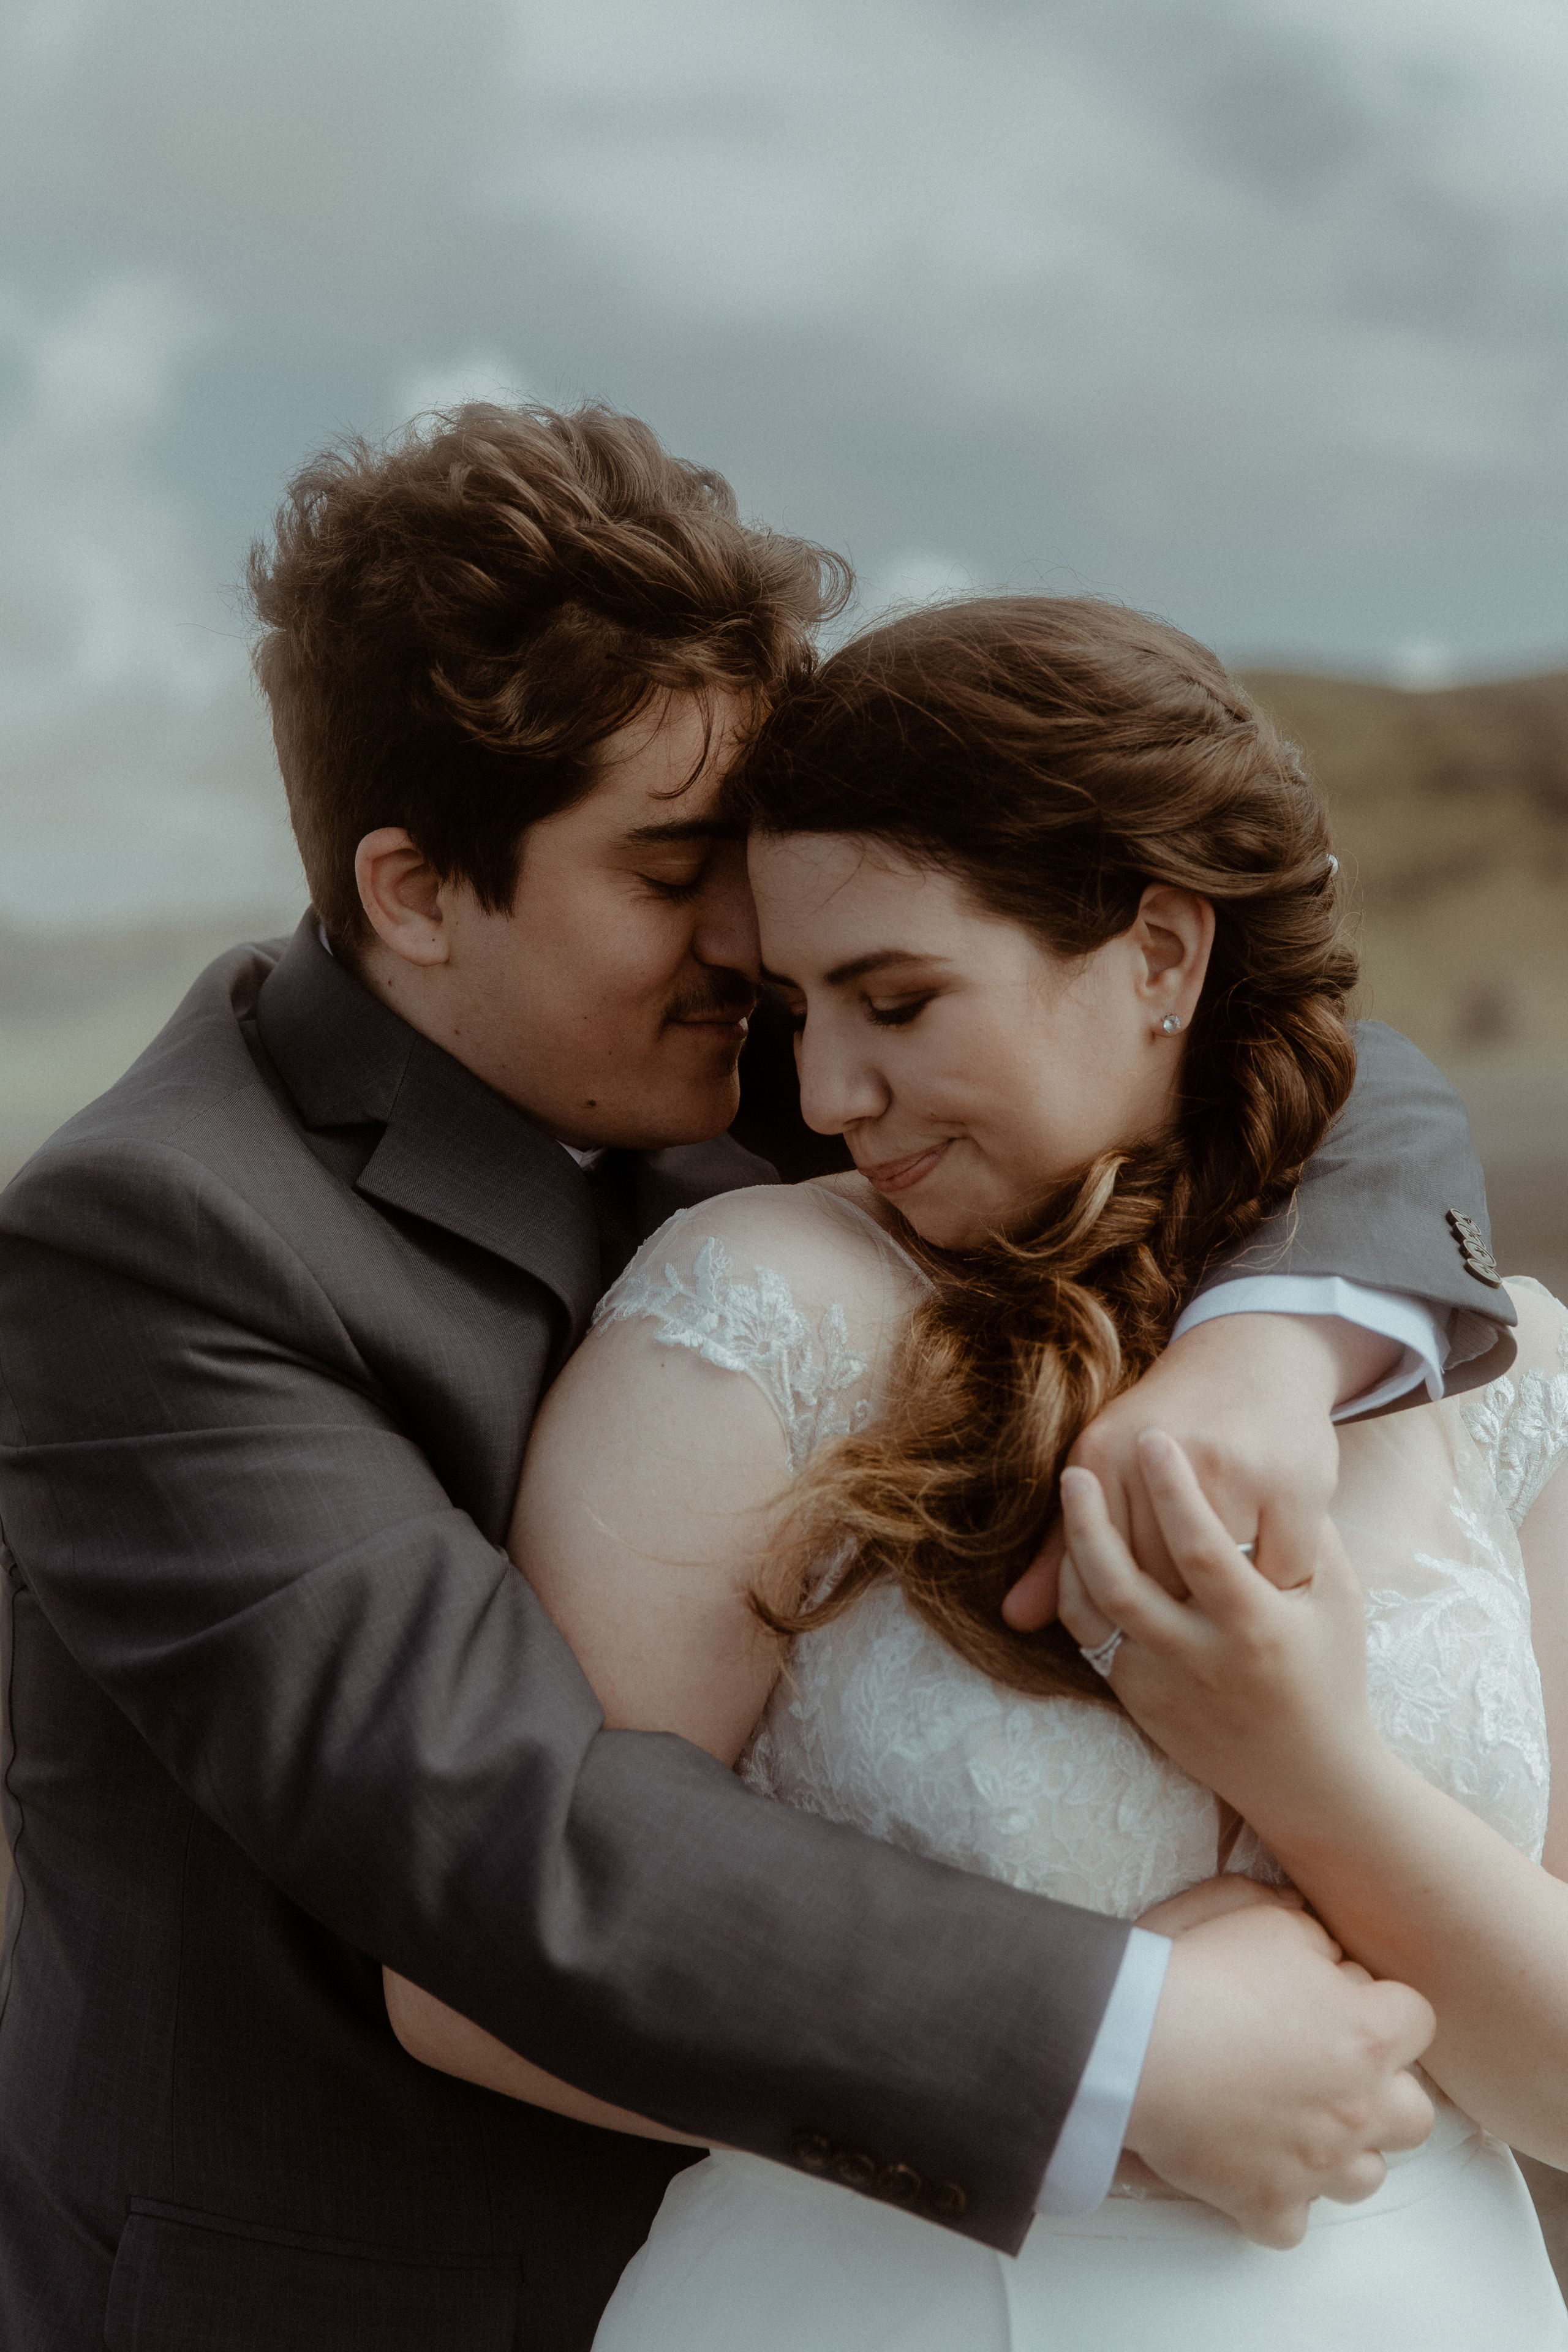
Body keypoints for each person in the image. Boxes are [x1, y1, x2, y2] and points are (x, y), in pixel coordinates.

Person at [0, 408, 1503, 2351]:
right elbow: (503, 1831)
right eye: (669, 869)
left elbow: (1297, 1067)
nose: (751, 948)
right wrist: (1137, 2043)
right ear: (413, 889)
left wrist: (1274, 1345)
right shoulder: (151, 1242)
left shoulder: (748, 1068)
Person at [383, 591, 1568, 2348]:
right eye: (795, 1005)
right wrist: (1125, 2078)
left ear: (1162, 956)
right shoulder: (750, 1318)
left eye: (900, 998)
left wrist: (1300, 1766)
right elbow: (484, 1972)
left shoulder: (1502, 1371)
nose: (830, 1086)